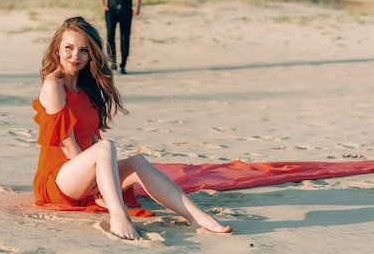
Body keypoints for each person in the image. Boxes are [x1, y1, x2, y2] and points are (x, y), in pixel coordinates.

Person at [32, 16, 232, 240]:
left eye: (83, 50)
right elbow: (68, 146)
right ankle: (119, 216)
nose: (75, 56)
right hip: (59, 180)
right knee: (105, 148)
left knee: (138, 162)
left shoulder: (85, 87)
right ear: (57, 50)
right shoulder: (53, 85)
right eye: (68, 48)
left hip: (84, 174)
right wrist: (96, 186)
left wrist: (98, 181)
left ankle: (195, 215)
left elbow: (92, 138)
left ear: (91, 56)